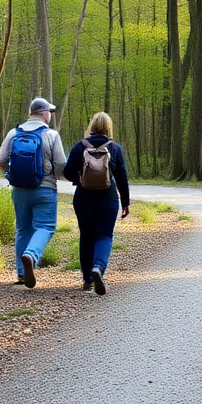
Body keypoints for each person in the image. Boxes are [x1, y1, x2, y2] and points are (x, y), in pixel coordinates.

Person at [0, 97, 67, 288]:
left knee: (22, 228)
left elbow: (1, 160)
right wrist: (56, 176)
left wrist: (11, 175)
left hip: (19, 190)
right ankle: (31, 255)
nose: (49, 116)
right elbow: (61, 163)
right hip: (45, 188)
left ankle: (21, 273)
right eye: (49, 113)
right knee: (46, 226)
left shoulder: (13, 133)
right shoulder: (51, 135)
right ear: (44, 114)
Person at [63, 112, 130, 295]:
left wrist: (82, 179)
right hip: (108, 199)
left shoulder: (80, 146)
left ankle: (87, 280)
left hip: (83, 199)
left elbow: (67, 171)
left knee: (86, 237)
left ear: (91, 126)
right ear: (109, 127)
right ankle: (98, 268)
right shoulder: (114, 148)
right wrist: (125, 202)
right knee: (105, 236)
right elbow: (122, 178)